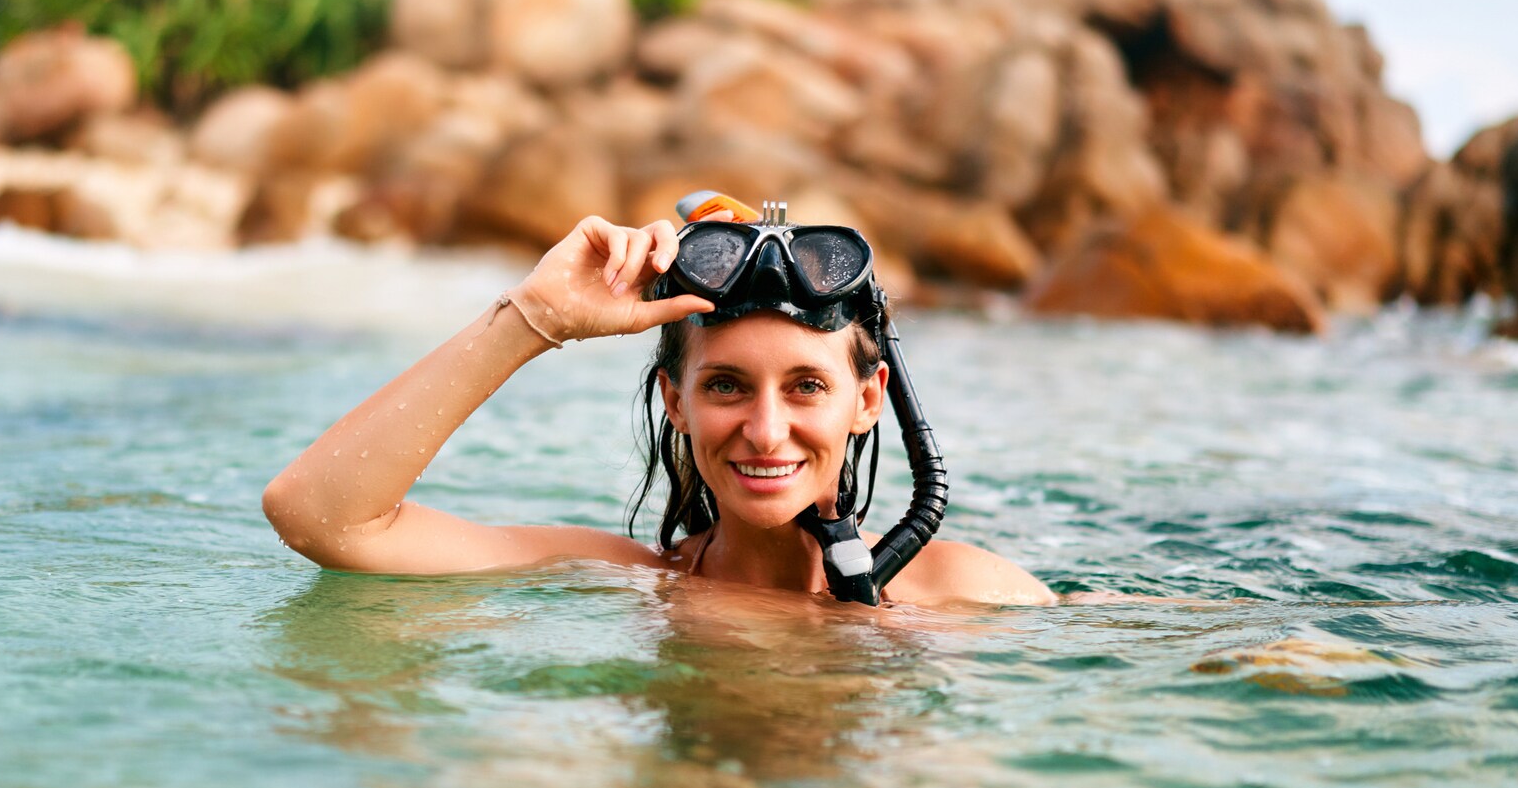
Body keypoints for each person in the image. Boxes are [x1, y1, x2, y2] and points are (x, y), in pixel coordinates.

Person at [263, 210, 1053, 607]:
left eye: (806, 386)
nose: (765, 430)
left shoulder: (965, 593)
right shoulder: (629, 585)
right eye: (726, 385)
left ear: (868, 400)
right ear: (676, 401)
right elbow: (321, 518)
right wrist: (535, 320)